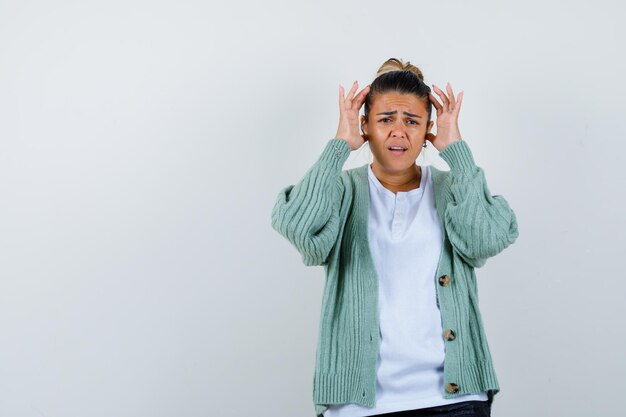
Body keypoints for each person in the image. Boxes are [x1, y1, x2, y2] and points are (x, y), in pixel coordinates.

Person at [270, 58, 519, 417]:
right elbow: (298, 227)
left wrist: (458, 155)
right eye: (386, 120)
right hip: (357, 406)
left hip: (454, 402)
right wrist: (340, 145)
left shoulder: (453, 189)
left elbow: (487, 239)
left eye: (412, 121)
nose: (399, 131)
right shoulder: (342, 190)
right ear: (366, 126)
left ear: (428, 130)